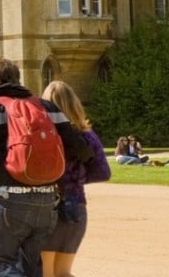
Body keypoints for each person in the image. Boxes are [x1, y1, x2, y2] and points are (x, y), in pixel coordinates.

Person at [0, 58, 91, 277]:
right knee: (35, 268)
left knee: (4, 264)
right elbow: (81, 149)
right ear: (17, 78)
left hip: (8, 199)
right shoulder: (46, 107)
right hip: (46, 202)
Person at [39, 80, 112, 277]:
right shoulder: (86, 135)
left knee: (44, 273)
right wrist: (77, 179)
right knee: (63, 273)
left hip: (47, 206)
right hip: (76, 205)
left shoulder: (43, 135)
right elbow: (103, 172)